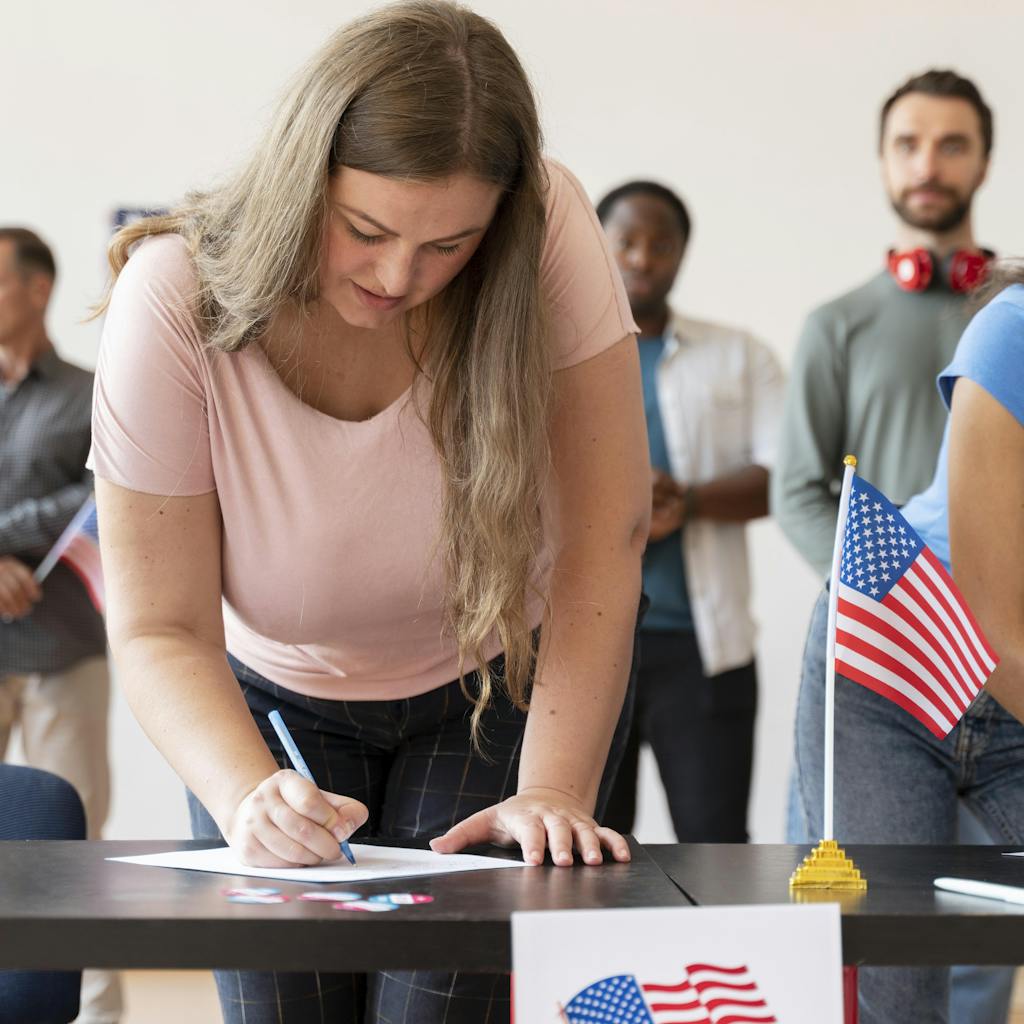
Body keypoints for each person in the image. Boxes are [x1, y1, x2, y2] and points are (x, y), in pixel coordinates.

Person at [88, 4, 648, 1023]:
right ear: (304, 179)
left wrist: (556, 787)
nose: (399, 277)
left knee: (436, 1005)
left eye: (449, 245)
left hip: (487, 689)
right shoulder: (173, 296)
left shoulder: (550, 226)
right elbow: (160, 625)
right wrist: (243, 795)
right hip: (269, 711)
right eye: (367, 231)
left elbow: (604, 538)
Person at [780, 72, 1014, 1024]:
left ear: (986, 162)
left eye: (952, 143)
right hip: (899, 637)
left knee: (986, 953)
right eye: (909, 143)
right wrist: (865, 582)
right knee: (879, 967)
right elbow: (797, 489)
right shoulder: (848, 325)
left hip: (1015, 657)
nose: (929, 164)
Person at [595, 182, 782, 842]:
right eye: (625, 242)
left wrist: (688, 501)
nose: (643, 258)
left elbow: (786, 478)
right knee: (582, 853)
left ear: (682, 254)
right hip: (585, 646)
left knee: (717, 847)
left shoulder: (740, 355)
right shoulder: (551, 357)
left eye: (661, 244)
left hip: (704, 653)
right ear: (597, 246)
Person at [0, 227, 122, 1024]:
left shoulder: (92, 392)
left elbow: (98, 501)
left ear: (37, 288)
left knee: (71, 852)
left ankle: (95, 1016)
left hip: (61, 654)